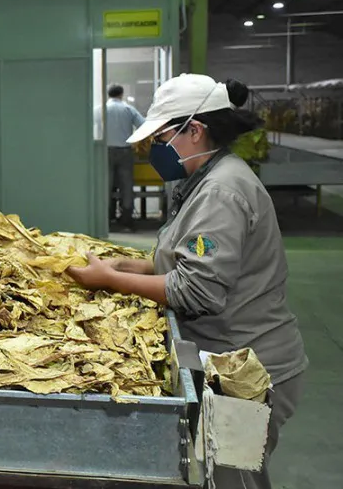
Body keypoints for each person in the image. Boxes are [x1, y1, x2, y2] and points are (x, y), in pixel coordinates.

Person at [68, 74, 307, 489]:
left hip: (248, 369)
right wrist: (130, 265)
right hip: (229, 356)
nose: (154, 150)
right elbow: (185, 261)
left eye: (161, 138)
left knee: (233, 477)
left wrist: (110, 280)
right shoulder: (201, 180)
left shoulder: (221, 190)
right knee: (228, 472)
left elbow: (197, 290)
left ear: (194, 131)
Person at [104, 83, 145, 231]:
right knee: (126, 185)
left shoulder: (101, 109)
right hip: (125, 151)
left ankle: (106, 219)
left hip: (104, 151)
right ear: (121, 94)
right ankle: (126, 220)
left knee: (105, 185)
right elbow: (143, 125)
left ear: (108, 94)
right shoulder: (128, 109)